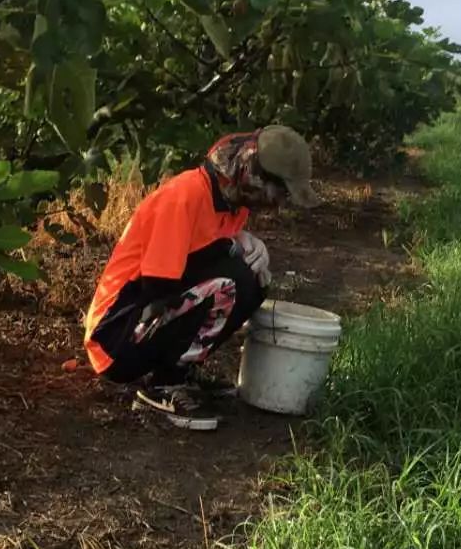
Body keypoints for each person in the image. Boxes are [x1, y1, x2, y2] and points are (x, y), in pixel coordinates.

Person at [84, 126, 319, 430]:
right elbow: (159, 286)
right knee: (232, 280)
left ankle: (179, 373)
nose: (280, 202)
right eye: (281, 192)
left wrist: (241, 243)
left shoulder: (231, 204)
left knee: (252, 279)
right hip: (116, 338)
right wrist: (231, 250)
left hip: (145, 321)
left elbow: (204, 256)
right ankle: (166, 384)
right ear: (254, 174)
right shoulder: (185, 196)